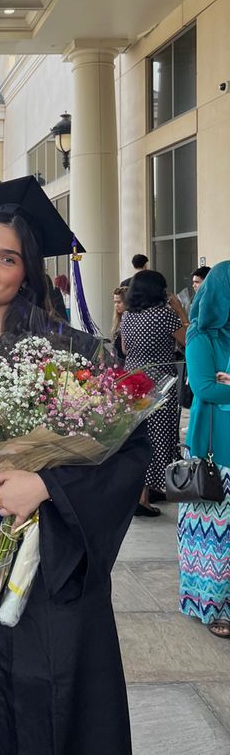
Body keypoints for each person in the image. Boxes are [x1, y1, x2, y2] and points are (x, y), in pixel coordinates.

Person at [0, 174, 151, 755]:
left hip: (48, 560)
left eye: (8, 257)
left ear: (26, 272)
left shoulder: (70, 349)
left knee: (46, 696)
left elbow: (128, 452)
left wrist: (47, 485)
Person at [179, 262, 230, 638]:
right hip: (217, 449)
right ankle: (215, 608)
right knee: (216, 538)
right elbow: (206, 388)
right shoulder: (201, 337)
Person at [121, 269, 185, 516]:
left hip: (132, 381)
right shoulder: (165, 315)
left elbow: (126, 349)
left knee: (136, 437)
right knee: (156, 439)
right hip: (160, 382)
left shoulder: (128, 316)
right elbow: (188, 340)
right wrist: (180, 310)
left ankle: (141, 493)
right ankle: (144, 497)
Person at [112, 285, 127, 362]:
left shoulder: (128, 320)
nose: (116, 305)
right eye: (115, 302)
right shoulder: (118, 320)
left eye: (119, 302)